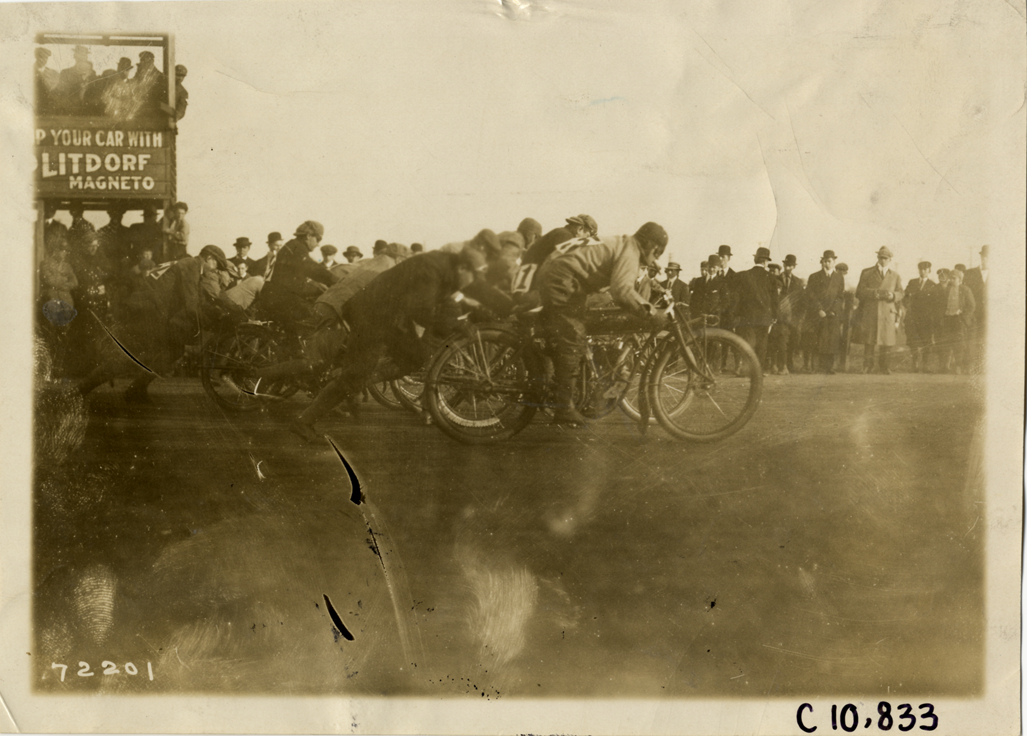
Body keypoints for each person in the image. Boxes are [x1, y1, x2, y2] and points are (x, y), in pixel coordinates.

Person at [289, 247, 486, 442]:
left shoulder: (447, 269)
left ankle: (353, 381)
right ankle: (304, 421)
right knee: (356, 374)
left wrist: (460, 320)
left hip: (389, 316)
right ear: (463, 268)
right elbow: (421, 310)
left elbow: (446, 302)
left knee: (416, 357)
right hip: (371, 315)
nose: (474, 281)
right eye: (474, 276)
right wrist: (456, 323)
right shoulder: (433, 269)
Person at [536, 222, 668, 426]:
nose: (656, 258)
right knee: (574, 335)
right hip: (561, 278)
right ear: (650, 245)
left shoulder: (625, 243)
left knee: (575, 329)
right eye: (657, 252)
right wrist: (650, 312)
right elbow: (622, 291)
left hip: (557, 271)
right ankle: (563, 407)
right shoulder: (630, 252)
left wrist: (651, 263)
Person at [76, 245, 237, 402]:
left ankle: (136, 388)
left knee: (174, 351)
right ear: (209, 258)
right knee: (131, 357)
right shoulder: (191, 265)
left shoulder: (188, 264)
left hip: (150, 311)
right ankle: (81, 389)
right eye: (217, 265)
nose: (215, 270)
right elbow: (191, 305)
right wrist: (212, 319)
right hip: (147, 312)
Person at [256, 221, 338, 332]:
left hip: (276, 296)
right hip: (280, 299)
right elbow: (311, 268)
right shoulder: (296, 248)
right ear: (308, 236)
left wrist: (320, 288)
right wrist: (336, 280)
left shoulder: (294, 246)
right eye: (318, 239)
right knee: (317, 317)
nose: (318, 244)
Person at [512, 215, 598, 298]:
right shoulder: (565, 236)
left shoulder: (560, 233)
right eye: (588, 236)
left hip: (526, 286)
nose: (587, 240)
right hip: (529, 289)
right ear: (580, 229)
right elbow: (566, 266)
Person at [854, 246, 904, 374]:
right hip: (871, 311)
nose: (883, 260)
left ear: (890, 260)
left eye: (885, 258)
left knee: (887, 341)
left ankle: (885, 366)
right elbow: (859, 292)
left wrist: (893, 296)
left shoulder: (895, 276)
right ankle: (867, 366)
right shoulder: (867, 273)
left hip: (887, 311)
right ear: (877, 258)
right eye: (881, 257)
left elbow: (901, 293)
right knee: (869, 340)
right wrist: (874, 293)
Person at [733, 247, 779, 369]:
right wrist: (774, 317)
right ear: (765, 262)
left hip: (747, 317)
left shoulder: (744, 275)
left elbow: (737, 298)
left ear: (755, 259)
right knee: (762, 345)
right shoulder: (771, 277)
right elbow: (775, 300)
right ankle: (759, 371)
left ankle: (747, 370)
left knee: (748, 343)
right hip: (764, 317)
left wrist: (737, 314)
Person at [803, 250, 845, 374]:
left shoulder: (839, 277)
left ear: (834, 262)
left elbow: (840, 296)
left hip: (832, 314)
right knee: (817, 339)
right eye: (825, 261)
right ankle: (816, 366)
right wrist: (819, 309)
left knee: (831, 340)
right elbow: (811, 296)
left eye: (829, 261)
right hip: (818, 314)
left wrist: (833, 310)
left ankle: (829, 367)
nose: (826, 263)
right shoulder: (814, 276)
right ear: (822, 261)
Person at [937, 267, 976, 374]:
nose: (951, 280)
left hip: (959, 321)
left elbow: (971, 306)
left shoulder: (965, 290)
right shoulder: (947, 290)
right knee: (947, 343)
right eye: (950, 278)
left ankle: (959, 366)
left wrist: (963, 317)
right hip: (948, 320)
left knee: (959, 344)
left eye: (954, 278)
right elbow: (942, 305)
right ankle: (945, 366)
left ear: (960, 279)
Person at [904, 261, 937, 373]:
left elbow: (934, 303)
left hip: (926, 318)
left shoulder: (933, 285)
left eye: (925, 269)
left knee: (926, 341)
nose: (922, 271)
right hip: (913, 317)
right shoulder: (912, 282)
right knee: (913, 341)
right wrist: (908, 307)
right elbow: (905, 297)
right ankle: (915, 363)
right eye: (921, 269)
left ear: (929, 271)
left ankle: (925, 364)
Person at [775, 254, 805, 374]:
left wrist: (798, 318)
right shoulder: (776, 279)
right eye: (787, 265)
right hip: (780, 317)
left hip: (793, 318)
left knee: (793, 340)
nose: (788, 268)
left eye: (791, 266)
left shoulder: (797, 281)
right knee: (781, 341)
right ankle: (780, 365)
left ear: (794, 267)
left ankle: (789, 363)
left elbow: (801, 301)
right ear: (783, 265)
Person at [962, 245, 988, 373]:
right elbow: (963, 295)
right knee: (970, 341)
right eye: (985, 257)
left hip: (989, 316)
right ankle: (969, 368)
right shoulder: (970, 273)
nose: (988, 260)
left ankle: (982, 368)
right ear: (981, 257)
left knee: (986, 341)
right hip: (972, 315)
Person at [57, 45, 97, 113]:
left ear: (86, 57)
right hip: (69, 110)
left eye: (84, 55)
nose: (82, 58)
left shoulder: (92, 74)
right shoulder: (65, 73)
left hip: (89, 111)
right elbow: (61, 93)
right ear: (75, 56)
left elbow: (95, 92)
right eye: (80, 54)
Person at [133, 50, 167, 117]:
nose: (142, 63)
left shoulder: (160, 76)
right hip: (140, 108)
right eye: (141, 60)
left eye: (145, 61)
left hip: (154, 110)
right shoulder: (140, 74)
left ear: (151, 61)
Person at [34, 47, 60, 113]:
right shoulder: (29, 71)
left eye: (45, 58)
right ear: (36, 57)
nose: (43, 60)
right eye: (40, 57)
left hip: (50, 107)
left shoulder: (54, 73)